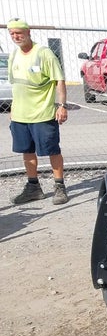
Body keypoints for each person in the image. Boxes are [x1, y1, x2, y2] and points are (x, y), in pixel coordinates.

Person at [6, 18, 69, 205]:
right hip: (20, 115)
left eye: (19, 32)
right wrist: (13, 108)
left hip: (42, 113)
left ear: (28, 33)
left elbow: (59, 80)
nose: (16, 36)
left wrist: (62, 105)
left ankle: (59, 187)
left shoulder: (44, 54)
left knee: (52, 150)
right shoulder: (14, 55)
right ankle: (33, 187)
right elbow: (17, 85)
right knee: (26, 151)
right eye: (12, 33)